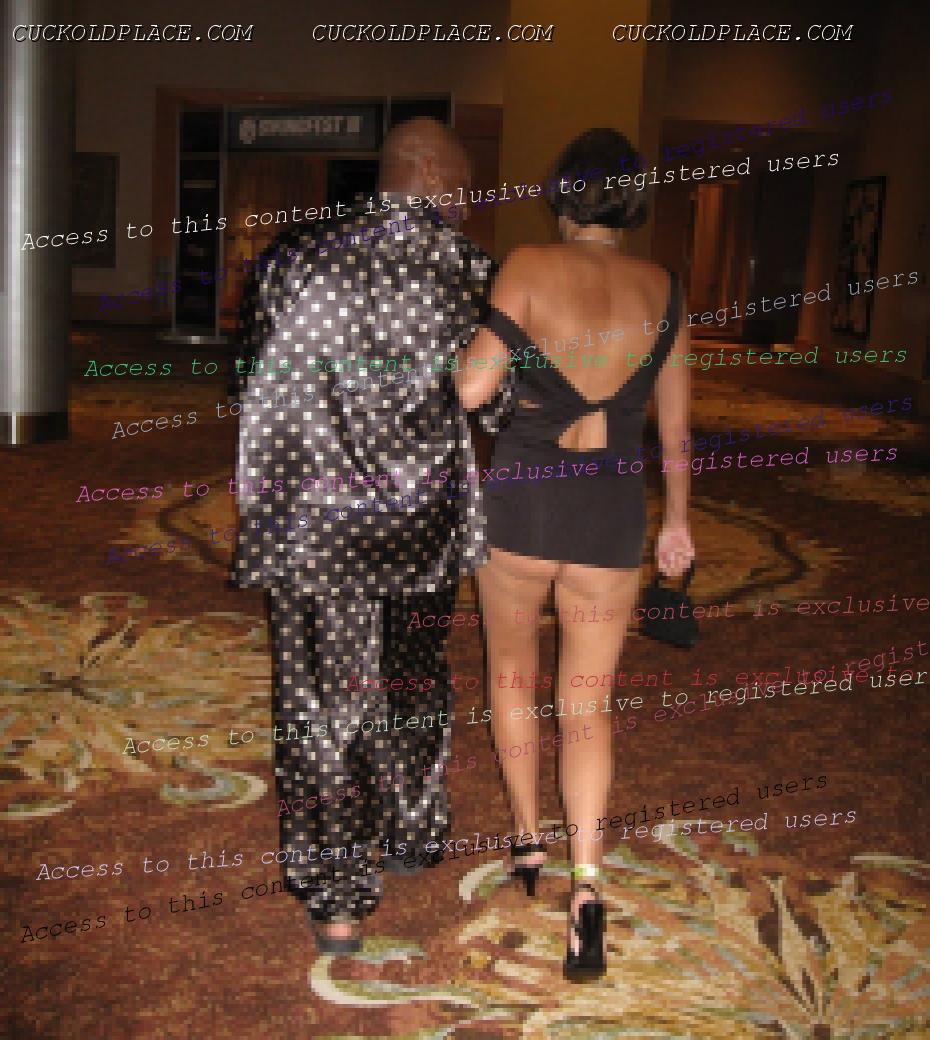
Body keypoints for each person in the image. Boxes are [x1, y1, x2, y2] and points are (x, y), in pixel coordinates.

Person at [230, 118, 504, 953]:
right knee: (413, 677)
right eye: (465, 188)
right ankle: (412, 831)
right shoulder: (470, 270)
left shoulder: (291, 256)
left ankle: (338, 897)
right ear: (435, 176)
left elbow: (246, 373)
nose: (468, 206)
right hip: (421, 526)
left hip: (311, 524)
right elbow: (496, 401)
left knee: (321, 700)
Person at [454, 128, 694, 982]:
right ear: (634, 202)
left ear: (561, 195)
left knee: (510, 676)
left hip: (522, 504)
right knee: (587, 705)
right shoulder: (664, 288)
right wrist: (679, 523)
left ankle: (528, 842)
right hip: (610, 515)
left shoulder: (526, 265)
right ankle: (588, 886)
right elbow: (676, 429)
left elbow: (473, 388)